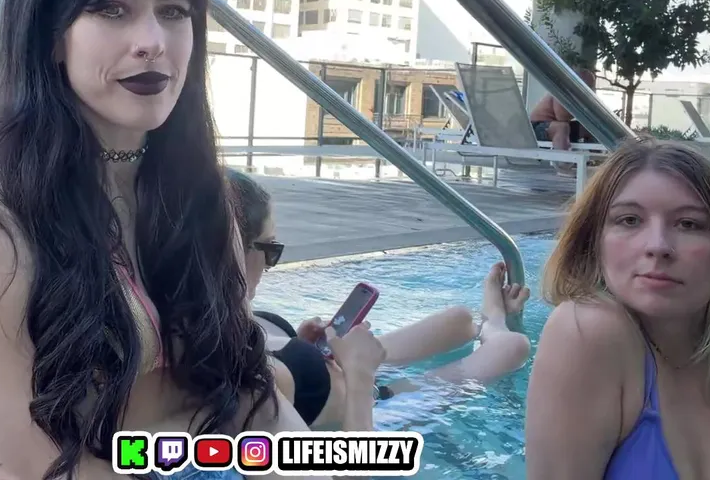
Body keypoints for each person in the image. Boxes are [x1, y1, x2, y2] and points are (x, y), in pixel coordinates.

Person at [0, 0, 325, 480]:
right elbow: (30, 467)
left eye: (173, 11)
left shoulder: (203, 197)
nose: (152, 41)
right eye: (112, 9)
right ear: (53, 37)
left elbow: (247, 389)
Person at [525, 138, 710, 479]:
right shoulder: (585, 332)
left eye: (689, 224)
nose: (658, 246)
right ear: (594, 242)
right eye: (629, 220)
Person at [225, 168, 532, 432]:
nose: (270, 264)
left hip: (348, 374)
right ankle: (495, 322)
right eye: (271, 249)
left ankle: (485, 323)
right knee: (513, 347)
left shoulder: (227, 324)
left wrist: (303, 346)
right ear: (235, 252)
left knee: (459, 319)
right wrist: (359, 375)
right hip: (377, 408)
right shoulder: (250, 385)